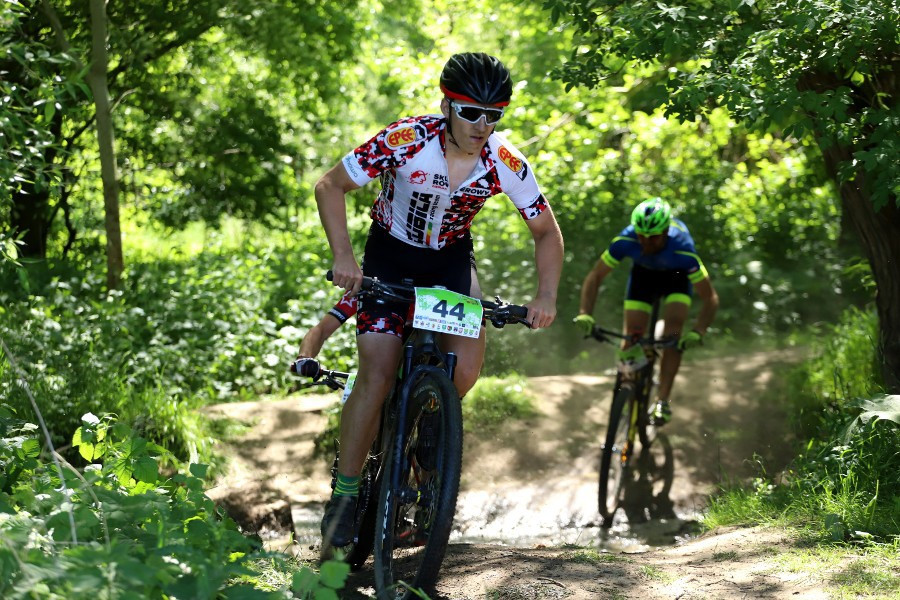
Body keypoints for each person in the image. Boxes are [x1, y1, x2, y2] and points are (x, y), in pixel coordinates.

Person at [314, 52, 564, 548]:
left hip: (449, 263)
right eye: (472, 112)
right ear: (447, 105)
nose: (483, 125)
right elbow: (330, 186)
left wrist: (545, 295)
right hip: (389, 257)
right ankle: (344, 494)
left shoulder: (504, 162)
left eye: (495, 115)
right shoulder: (406, 139)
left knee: (465, 370)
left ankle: (429, 421)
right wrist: (345, 259)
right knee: (378, 373)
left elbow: (546, 233)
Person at [574, 197, 719, 425]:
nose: (646, 243)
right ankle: (630, 395)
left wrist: (698, 331)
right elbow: (596, 276)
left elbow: (710, 297)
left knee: (672, 335)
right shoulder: (626, 239)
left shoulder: (683, 249)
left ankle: (662, 400)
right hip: (644, 276)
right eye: (641, 236)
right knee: (632, 334)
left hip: (677, 278)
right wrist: (585, 312)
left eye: (653, 238)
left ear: (666, 231)